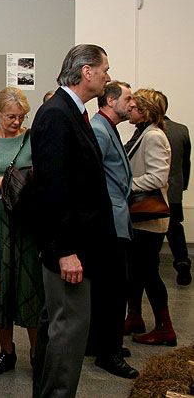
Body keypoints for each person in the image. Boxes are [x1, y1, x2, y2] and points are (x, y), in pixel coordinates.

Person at [31, 44, 116, 398]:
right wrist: (66, 250)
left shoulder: (71, 111)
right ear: (87, 72)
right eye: (105, 69)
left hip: (76, 247)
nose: (108, 77)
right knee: (69, 332)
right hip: (69, 251)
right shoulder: (57, 114)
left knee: (58, 328)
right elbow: (54, 189)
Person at [0, 87, 43, 375]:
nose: (17, 122)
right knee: (0, 287)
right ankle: (7, 352)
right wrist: (6, 181)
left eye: (21, 117)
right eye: (11, 117)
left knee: (30, 287)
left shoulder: (33, 141)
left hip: (25, 223)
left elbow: (40, 179)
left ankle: (36, 352)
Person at [87, 81, 139, 379]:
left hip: (115, 218)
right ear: (110, 100)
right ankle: (109, 352)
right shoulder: (99, 129)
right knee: (113, 290)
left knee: (110, 288)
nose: (132, 104)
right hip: (108, 221)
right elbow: (94, 178)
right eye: (128, 98)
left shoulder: (109, 127)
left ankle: (104, 343)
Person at [124, 88, 177, 346]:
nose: (129, 109)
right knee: (136, 271)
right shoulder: (142, 133)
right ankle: (134, 317)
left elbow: (157, 177)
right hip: (140, 218)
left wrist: (126, 184)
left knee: (148, 272)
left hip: (150, 217)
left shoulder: (153, 136)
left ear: (144, 110)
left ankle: (165, 328)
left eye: (132, 106)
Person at [160, 94, 192, 285]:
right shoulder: (181, 130)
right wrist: (182, 186)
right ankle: (182, 264)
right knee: (174, 228)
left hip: (154, 191)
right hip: (175, 190)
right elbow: (185, 163)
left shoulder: (148, 130)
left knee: (149, 233)